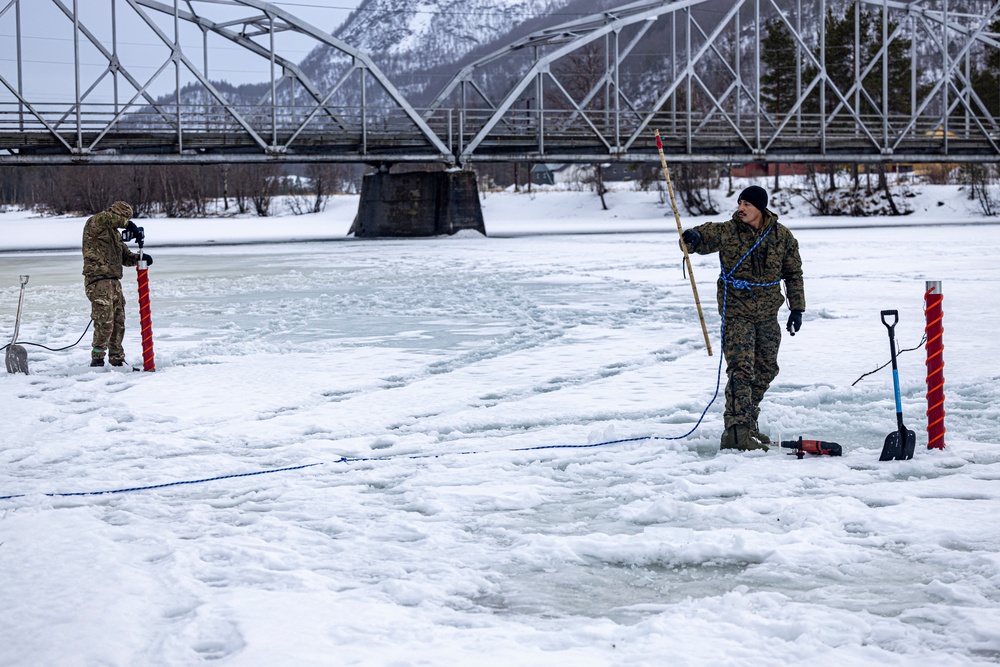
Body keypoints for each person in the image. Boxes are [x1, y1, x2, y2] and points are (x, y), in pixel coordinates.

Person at [680, 185, 805, 451]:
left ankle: (748, 421)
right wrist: (693, 238)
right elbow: (704, 236)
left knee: (766, 369)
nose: (741, 208)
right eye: (740, 203)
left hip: (768, 314)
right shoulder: (728, 231)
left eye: (747, 204)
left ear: (760, 207)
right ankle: (736, 433)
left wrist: (797, 308)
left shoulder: (781, 236)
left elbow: (793, 274)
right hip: (737, 312)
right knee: (741, 370)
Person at [81, 201, 152, 367]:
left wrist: (139, 258)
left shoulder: (115, 235)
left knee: (118, 322)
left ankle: (117, 359)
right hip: (98, 280)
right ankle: (97, 359)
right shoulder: (96, 223)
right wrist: (129, 225)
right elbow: (106, 218)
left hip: (114, 281)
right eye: (122, 218)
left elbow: (125, 257)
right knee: (104, 320)